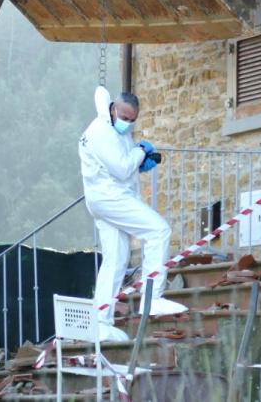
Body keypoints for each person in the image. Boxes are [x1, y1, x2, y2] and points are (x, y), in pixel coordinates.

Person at [79, 87, 187, 342]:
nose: (126, 123)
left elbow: (121, 166)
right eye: (124, 117)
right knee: (158, 230)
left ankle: (100, 323)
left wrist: (139, 161)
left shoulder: (112, 131)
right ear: (114, 107)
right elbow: (121, 168)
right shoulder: (100, 131)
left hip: (104, 197)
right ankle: (153, 300)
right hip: (110, 198)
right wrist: (140, 152)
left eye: (131, 120)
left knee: (116, 258)